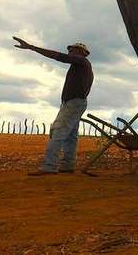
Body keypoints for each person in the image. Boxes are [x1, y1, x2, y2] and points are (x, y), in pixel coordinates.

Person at [13, 37, 94, 175]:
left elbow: (58, 56)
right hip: (76, 103)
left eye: (71, 50)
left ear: (80, 52)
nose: (68, 52)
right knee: (71, 136)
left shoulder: (81, 62)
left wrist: (32, 47)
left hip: (73, 103)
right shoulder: (82, 66)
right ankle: (68, 165)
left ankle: (48, 166)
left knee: (58, 132)